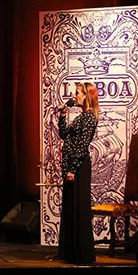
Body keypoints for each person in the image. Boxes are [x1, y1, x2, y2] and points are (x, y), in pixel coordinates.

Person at [57, 82, 99, 264]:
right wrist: (63, 115)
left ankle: (82, 254)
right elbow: (64, 134)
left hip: (79, 168)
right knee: (70, 209)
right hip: (71, 167)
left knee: (78, 209)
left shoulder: (90, 117)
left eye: (78, 94)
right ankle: (70, 252)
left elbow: (82, 146)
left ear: (87, 96)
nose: (75, 96)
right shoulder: (81, 116)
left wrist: (72, 169)